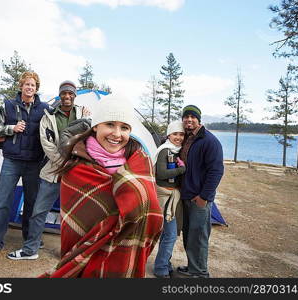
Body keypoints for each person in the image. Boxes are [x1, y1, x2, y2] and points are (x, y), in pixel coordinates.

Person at [41, 94, 163, 278]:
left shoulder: (141, 163)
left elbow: (150, 213)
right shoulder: (76, 168)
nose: (116, 133)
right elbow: (74, 228)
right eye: (110, 124)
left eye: (124, 127)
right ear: (96, 125)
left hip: (125, 259)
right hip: (85, 261)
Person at [7, 80, 90, 260]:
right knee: (38, 211)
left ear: (74, 96)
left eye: (70, 93)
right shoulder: (48, 117)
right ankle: (30, 250)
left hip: (78, 173)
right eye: (64, 93)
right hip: (53, 171)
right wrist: (63, 163)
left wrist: (76, 165)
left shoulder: (84, 114)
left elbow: (90, 141)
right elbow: (47, 145)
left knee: (78, 215)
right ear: (60, 95)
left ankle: (74, 252)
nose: (67, 96)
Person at [0, 71, 50, 262]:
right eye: (27, 84)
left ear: (37, 88)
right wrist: (11, 129)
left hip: (34, 163)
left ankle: (31, 239)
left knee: (32, 204)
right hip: (11, 161)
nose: (30, 88)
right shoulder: (7, 106)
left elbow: (57, 126)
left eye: (33, 85)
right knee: (3, 201)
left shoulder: (45, 109)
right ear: (21, 86)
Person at [177, 105, 224, 278]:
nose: (189, 119)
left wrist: (204, 196)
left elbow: (216, 171)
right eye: (186, 116)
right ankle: (192, 268)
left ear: (199, 120)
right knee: (190, 235)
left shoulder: (209, 141)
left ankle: (201, 273)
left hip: (199, 199)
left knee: (199, 237)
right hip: (186, 196)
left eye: (193, 117)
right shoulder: (187, 139)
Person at [153, 120, 186, 278]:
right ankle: (160, 269)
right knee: (171, 234)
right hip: (164, 196)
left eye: (181, 134)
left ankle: (164, 263)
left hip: (172, 195)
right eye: (175, 134)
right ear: (168, 135)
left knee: (168, 234)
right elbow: (161, 174)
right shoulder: (164, 151)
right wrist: (181, 170)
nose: (178, 137)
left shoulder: (176, 151)